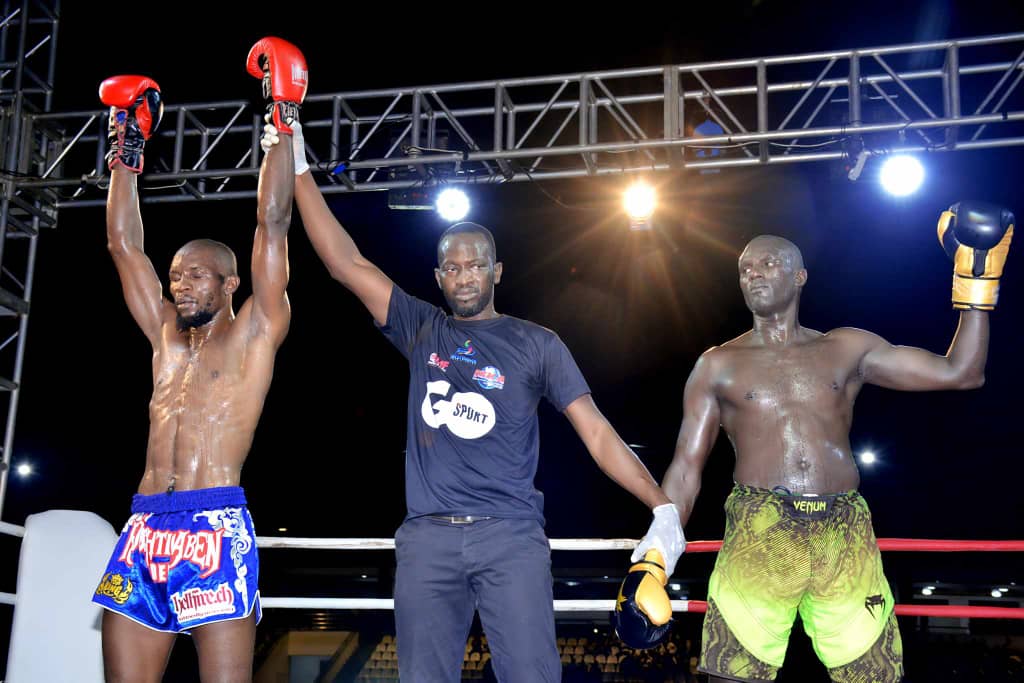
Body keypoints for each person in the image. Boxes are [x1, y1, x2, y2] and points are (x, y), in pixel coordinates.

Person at [277, 80, 684, 682]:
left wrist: (662, 506)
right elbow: (344, 262)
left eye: (474, 264)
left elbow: (597, 435)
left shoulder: (537, 343)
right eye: (452, 266)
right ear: (439, 276)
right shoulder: (421, 326)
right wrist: (297, 161)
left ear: (495, 270)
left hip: (511, 537)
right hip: (427, 542)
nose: (463, 274)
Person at [660, 206, 1013, 682]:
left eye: (768, 264)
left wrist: (976, 283)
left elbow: (962, 372)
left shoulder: (845, 348)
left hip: (843, 531)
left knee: (874, 675)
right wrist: (656, 554)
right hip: (758, 529)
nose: (753, 274)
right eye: (745, 269)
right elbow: (686, 469)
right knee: (733, 676)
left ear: (800, 276)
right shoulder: (716, 365)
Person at [90, 36, 306, 682]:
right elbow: (124, 246)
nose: (179, 284)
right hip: (145, 527)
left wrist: (281, 115)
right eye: (177, 276)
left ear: (230, 282)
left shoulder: (256, 330)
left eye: (195, 276)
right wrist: (127, 149)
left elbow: (272, 224)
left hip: (215, 526)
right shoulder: (165, 337)